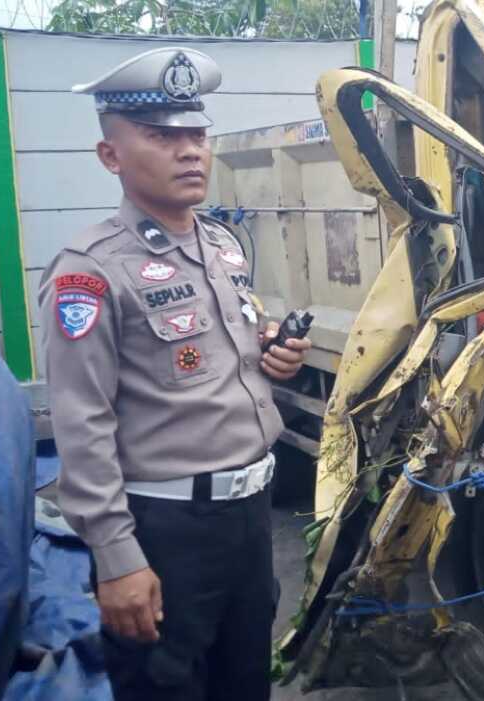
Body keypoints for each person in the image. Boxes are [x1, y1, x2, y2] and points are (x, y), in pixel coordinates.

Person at [39, 47, 311, 701]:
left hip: (251, 516)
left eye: (197, 135)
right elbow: (81, 422)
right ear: (111, 156)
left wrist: (274, 353)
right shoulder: (91, 270)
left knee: (245, 681)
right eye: (162, 137)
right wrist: (116, 557)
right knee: (166, 685)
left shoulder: (220, 245)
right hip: (165, 528)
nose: (190, 151)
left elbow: (226, 352)